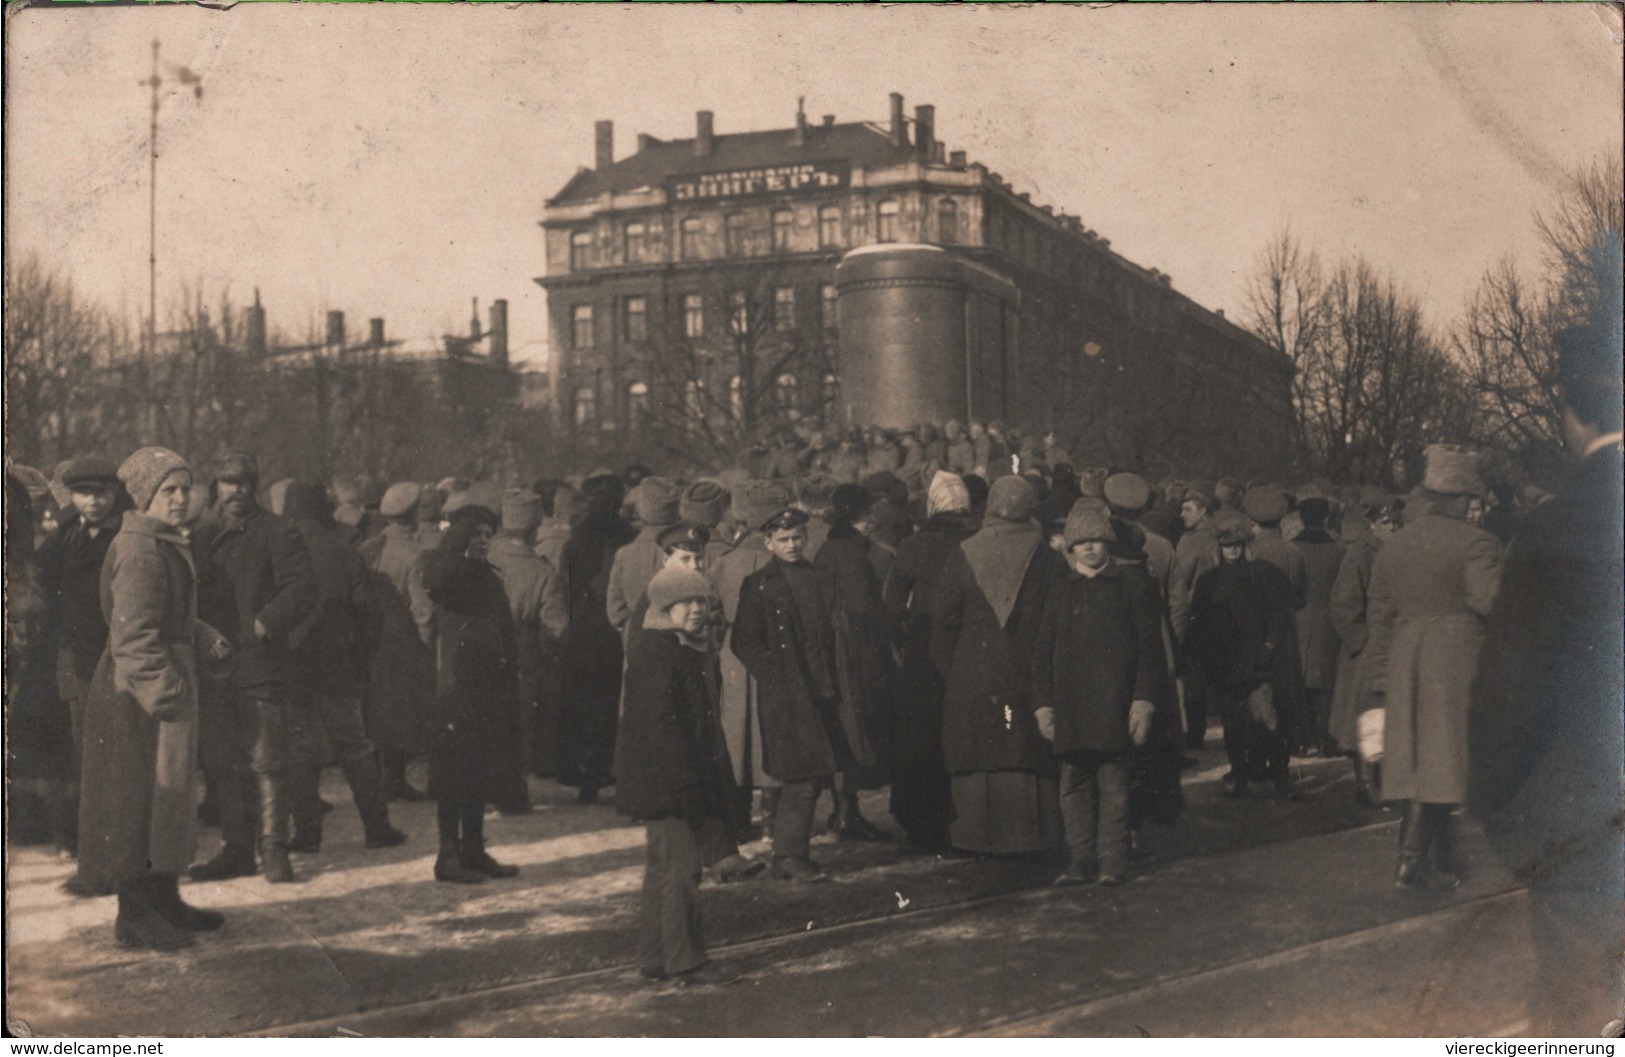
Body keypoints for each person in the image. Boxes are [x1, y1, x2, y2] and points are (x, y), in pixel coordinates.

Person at [1469, 261, 1624, 1034]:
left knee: (1575, 1012)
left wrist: (1497, 804)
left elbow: (1510, 693)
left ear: (1572, 413)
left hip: (1585, 819)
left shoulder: (1555, 527)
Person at [78, 448, 232, 950]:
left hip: (160, 689)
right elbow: (133, 638)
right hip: (137, 699)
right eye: (169, 490)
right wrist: (170, 691)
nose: (181, 498)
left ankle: (165, 898)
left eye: (186, 488)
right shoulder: (141, 549)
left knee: (167, 801)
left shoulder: (163, 541)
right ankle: (136, 914)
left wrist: (205, 638)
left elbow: (168, 618)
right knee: (139, 802)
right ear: (145, 496)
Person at [1366, 444, 1501, 891]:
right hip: (1456, 656)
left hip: (1409, 655)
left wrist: (1382, 676)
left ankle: (1431, 859)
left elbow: (1380, 613)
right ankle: (1422, 860)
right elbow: (1490, 602)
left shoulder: (1395, 544)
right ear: (1461, 499)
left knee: (1422, 758)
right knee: (1444, 759)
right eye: (1471, 499)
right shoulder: (1476, 542)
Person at [189, 451, 318, 884]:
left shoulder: (278, 531)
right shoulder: (201, 536)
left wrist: (268, 620)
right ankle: (236, 848)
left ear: (255, 485)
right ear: (216, 487)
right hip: (215, 665)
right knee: (224, 762)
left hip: (261, 663)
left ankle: (274, 847)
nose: (235, 491)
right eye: (226, 483)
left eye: (243, 482)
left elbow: (302, 587)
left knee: (267, 760)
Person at [615, 565, 745, 988]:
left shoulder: (680, 646)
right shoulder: (659, 653)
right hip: (670, 779)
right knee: (683, 869)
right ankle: (686, 962)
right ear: (663, 607)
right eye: (683, 603)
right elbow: (662, 729)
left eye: (700, 601)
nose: (694, 610)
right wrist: (687, 785)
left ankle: (655, 957)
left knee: (663, 869)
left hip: (666, 777)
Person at [732, 507, 877, 882]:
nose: (791, 545)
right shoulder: (759, 584)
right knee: (803, 774)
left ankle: (791, 854)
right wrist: (775, 676)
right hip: (790, 696)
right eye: (783, 539)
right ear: (768, 543)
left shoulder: (820, 577)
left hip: (826, 691)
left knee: (814, 774)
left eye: (797, 537)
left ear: (806, 538)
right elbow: (744, 642)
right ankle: (789, 856)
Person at [931, 476, 1068, 856]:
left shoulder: (963, 553)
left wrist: (955, 674)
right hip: (1029, 676)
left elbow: (942, 623)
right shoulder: (1047, 558)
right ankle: (1033, 837)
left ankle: (976, 837)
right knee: (1023, 741)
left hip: (973, 677)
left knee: (979, 745)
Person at [1032, 506, 1167, 886]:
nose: (1089, 548)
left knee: (1114, 787)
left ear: (1107, 543)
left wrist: (1142, 701)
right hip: (1071, 710)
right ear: (1070, 548)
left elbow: (1148, 652)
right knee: (1072, 786)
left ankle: (1111, 860)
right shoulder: (1060, 590)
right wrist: (1043, 705)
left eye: (1096, 540)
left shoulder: (1130, 586)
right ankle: (1080, 859)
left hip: (1114, 706)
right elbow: (1042, 653)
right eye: (1080, 542)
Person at [279, 480, 406, 854]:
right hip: (338, 665)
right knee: (355, 746)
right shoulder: (345, 553)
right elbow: (369, 615)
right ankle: (377, 826)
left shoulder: (280, 551)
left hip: (292, 665)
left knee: (300, 750)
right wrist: (358, 662)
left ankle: (306, 833)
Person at [419, 504, 526, 884]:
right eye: (475, 533)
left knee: (478, 771)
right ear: (460, 535)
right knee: (453, 775)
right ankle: (447, 856)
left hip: (485, 690)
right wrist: (454, 543)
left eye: (487, 534)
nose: (483, 541)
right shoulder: (448, 571)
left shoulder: (485, 576)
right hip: (455, 690)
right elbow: (434, 581)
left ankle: (473, 849)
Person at [34, 456, 130, 864]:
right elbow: (41, 577)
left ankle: (118, 838)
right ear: (71, 497)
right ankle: (88, 839)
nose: (94, 502)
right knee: (83, 750)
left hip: (115, 656)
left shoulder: (125, 533)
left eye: (102, 493)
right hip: (75, 659)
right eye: (84, 494)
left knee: (118, 750)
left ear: (114, 495)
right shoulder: (67, 536)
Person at [883, 471, 977, 851]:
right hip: (969, 647)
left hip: (923, 652)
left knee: (921, 739)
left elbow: (891, 606)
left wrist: (906, 641)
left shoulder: (912, 545)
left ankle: (922, 825)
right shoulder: (977, 540)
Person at [1186, 510, 1303, 800]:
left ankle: (1281, 776)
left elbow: (1279, 615)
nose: (1233, 550)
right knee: (1233, 723)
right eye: (1227, 546)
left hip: (1259, 662)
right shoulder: (1209, 581)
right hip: (1225, 663)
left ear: (1247, 544)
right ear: (1219, 547)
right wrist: (1196, 657)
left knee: (1268, 718)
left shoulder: (1264, 575)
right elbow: (1197, 622)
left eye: (1237, 544)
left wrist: (1268, 647)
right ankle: (1238, 772)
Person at [546, 474, 637, 803]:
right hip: (615, 630)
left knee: (582, 703)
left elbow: (566, 588)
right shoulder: (629, 539)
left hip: (584, 628)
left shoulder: (576, 539)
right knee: (611, 702)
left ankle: (584, 777)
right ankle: (608, 770)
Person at [814, 483, 893, 841]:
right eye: (866, 516)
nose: (871, 523)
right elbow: (865, 609)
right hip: (854, 654)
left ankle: (845, 811)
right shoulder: (850, 554)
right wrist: (891, 622)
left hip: (837, 651)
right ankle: (848, 815)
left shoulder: (831, 548)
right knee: (854, 729)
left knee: (845, 730)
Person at [487, 488, 565, 800]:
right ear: (535, 528)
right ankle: (513, 785)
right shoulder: (542, 570)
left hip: (484, 648)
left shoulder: (487, 558)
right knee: (520, 720)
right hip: (523, 653)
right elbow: (555, 626)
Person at [357, 481, 434, 801]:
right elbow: (422, 608)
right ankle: (395, 779)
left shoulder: (369, 547)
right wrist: (427, 642)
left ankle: (377, 778)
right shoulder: (417, 555)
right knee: (401, 708)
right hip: (401, 636)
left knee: (375, 705)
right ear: (414, 513)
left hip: (369, 632)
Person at [1327, 500, 1401, 806]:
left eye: (1396, 524)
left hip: (1392, 647)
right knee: (1365, 719)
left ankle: (1385, 782)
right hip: (1368, 652)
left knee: (1386, 719)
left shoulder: (1400, 552)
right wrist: (1362, 642)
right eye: (1385, 524)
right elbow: (1343, 603)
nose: (1392, 529)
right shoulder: (1360, 553)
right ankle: (1365, 783)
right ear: (1371, 525)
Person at [1292, 497, 1346, 756]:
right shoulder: (1338, 551)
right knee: (1326, 682)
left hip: (1297, 620)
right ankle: (1327, 738)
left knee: (1299, 680)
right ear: (1325, 519)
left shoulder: (1291, 549)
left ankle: (1302, 739)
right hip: (1329, 621)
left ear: (1301, 519)